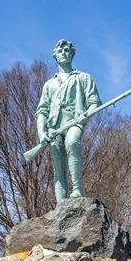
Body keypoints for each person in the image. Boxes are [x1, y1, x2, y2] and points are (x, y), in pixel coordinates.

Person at [35, 39, 101, 201]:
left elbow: (94, 102)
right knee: (58, 167)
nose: (64, 53)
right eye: (60, 51)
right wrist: (41, 133)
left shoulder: (84, 78)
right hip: (54, 128)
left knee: (72, 143)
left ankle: (77, 189)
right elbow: (42, 111)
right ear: (55, 56)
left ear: (72, 55)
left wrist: (86, 114)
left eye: (67, 51)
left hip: (75, 122)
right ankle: (60, 203)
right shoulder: (49, 84)